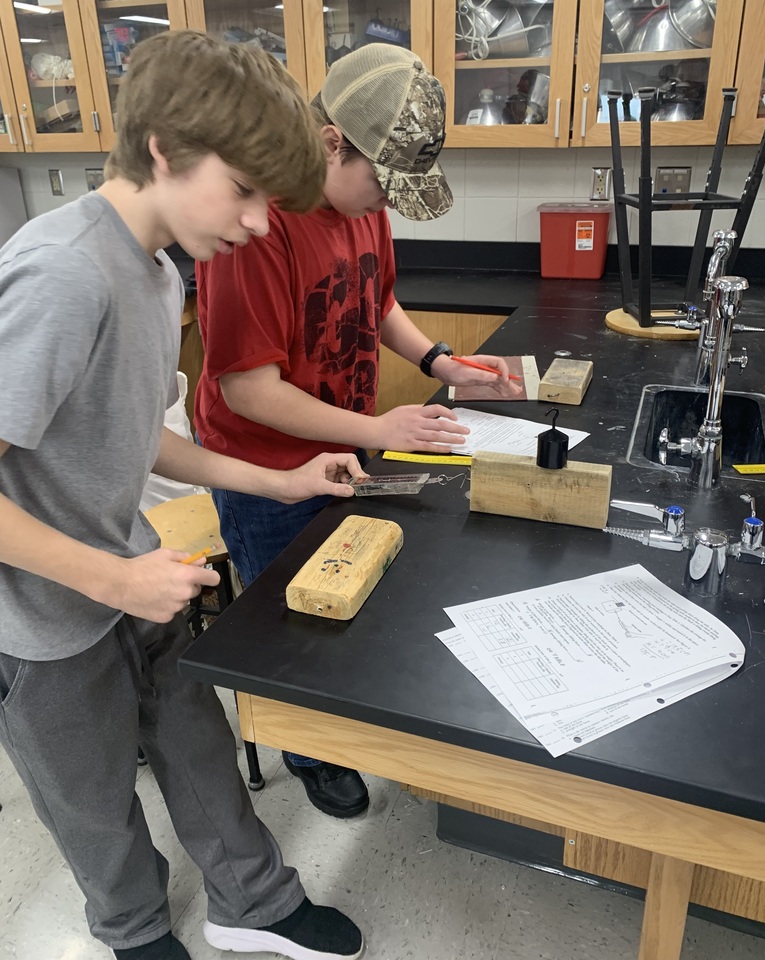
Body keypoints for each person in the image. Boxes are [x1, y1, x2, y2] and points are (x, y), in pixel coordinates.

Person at [0, 30, 366, 960]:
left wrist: (281, 477)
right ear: (163, 147)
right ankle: (132, 933)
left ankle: (253, 903)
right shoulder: (62, 273)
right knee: (92, 802)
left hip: (131, 561)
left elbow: (136, 435)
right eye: (241, 191)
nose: (253, 224)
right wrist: (109, 580)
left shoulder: (162, 275)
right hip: (36, 616)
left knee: (197, 745)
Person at [194, 44, 521, 820]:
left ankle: (346, 724)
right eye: (381, 179)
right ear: (333, 139)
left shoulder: (363, 203)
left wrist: (440, 362)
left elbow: (374, 304)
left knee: (355, 596)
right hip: (267, 472)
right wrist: (376, 423)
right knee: (294, 620)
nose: (384, 201)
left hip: (347, 444)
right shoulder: (257, 224)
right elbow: (249, 391)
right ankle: (310, 751)